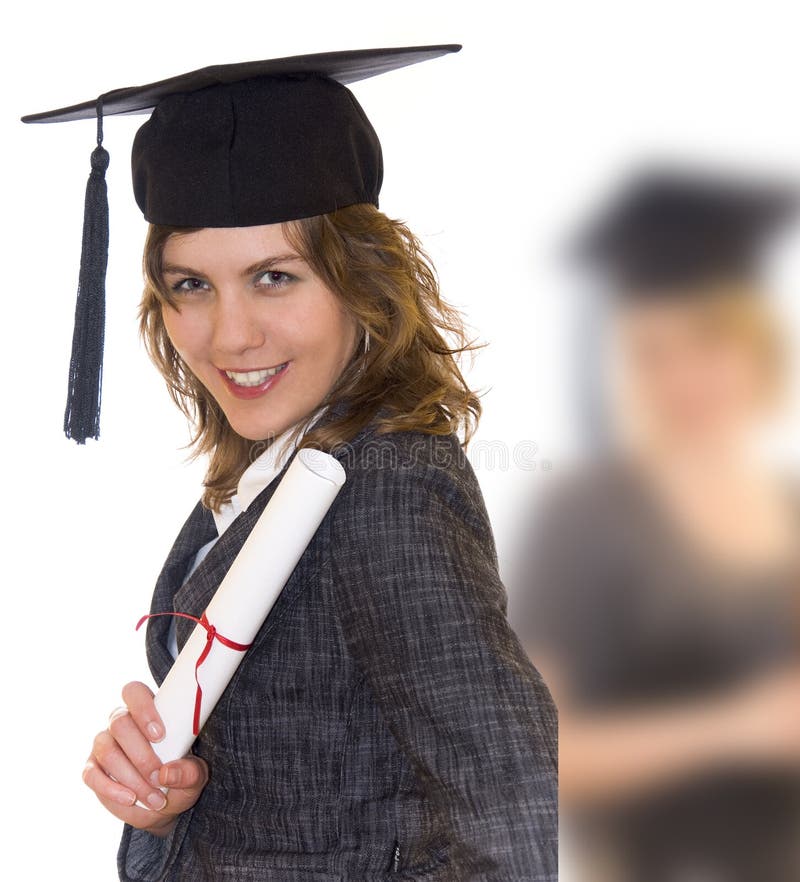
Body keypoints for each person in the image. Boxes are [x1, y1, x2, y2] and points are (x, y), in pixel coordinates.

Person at [23, 47, 558, 881]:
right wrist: (165, 805)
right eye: (190, 285)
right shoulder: (273, 472)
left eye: (274, 277)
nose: (231, 335)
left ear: (363, 282)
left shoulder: (389, 487)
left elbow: (514, 806)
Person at [512, 168, 800, 882]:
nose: (683, 380)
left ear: (756, 345)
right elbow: (535, 755)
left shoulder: (791, 506)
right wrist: (739, 729)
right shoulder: (584, 518)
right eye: (653, 352)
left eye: (707, 345)